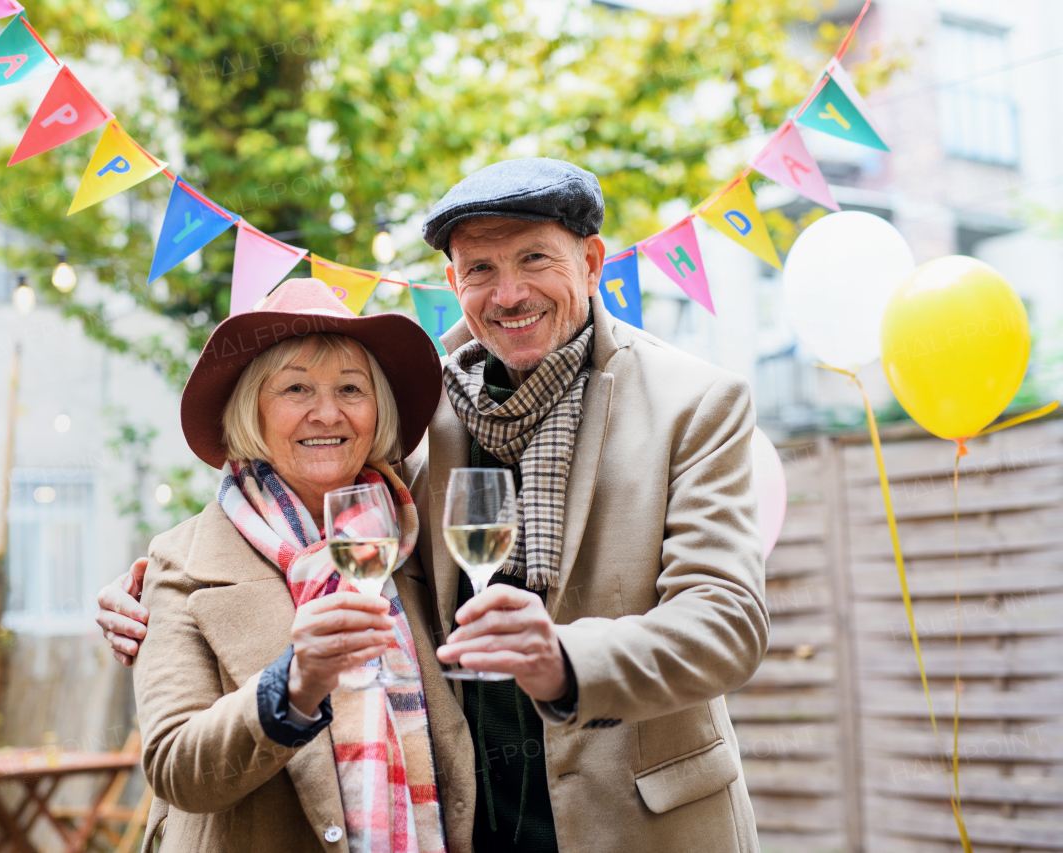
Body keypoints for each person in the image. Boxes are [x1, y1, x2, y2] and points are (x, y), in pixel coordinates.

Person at [101, 159, 768, 853]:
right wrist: (141, 590)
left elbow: (727, 622)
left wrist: (564, 660)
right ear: (454, 282)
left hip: (638, 826)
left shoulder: (693, 402)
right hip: (467, 823)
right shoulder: (425, 408)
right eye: (480, 268)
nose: (508, 294)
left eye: (534, 258)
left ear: (592, 260)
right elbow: (286, 512)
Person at [126, 278, 470, 853]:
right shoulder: (180, 562)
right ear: (251, 411)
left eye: (351, 389)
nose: (327, 412)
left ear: (377, 409)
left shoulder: (420, 537)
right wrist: (292, 686)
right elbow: (174, 768)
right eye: (296, 389)